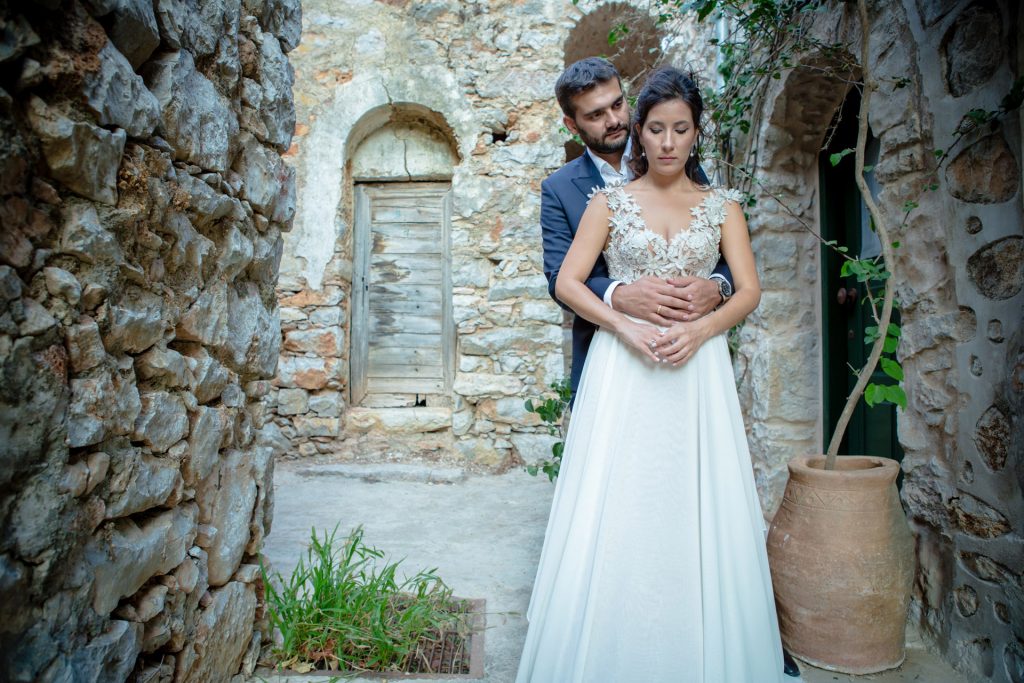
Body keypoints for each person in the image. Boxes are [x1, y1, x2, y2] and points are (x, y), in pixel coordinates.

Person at [515, 66, 788, 682]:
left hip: (698, 373)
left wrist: (706, 313)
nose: (667, 141)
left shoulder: (718, 202)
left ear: (695, 134)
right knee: (619, 497)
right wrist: (623, 312)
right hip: (621, 366)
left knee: (697, 495)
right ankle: (609, 640)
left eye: (680, 130)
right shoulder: (590, 197)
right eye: (654, 128)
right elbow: (565, 279)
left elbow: (744, 287)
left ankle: (710, 637)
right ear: (640, 131)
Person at [540, 57, 733, 400]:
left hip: (690, 353)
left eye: (617, 104)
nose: (613, 120)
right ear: (572, 124)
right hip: (611, 353)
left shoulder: (675, 158)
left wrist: (718, 287)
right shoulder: (559, 188)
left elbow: (714, 239)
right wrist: (619, 295)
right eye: (596, 115)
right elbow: (560, 279)